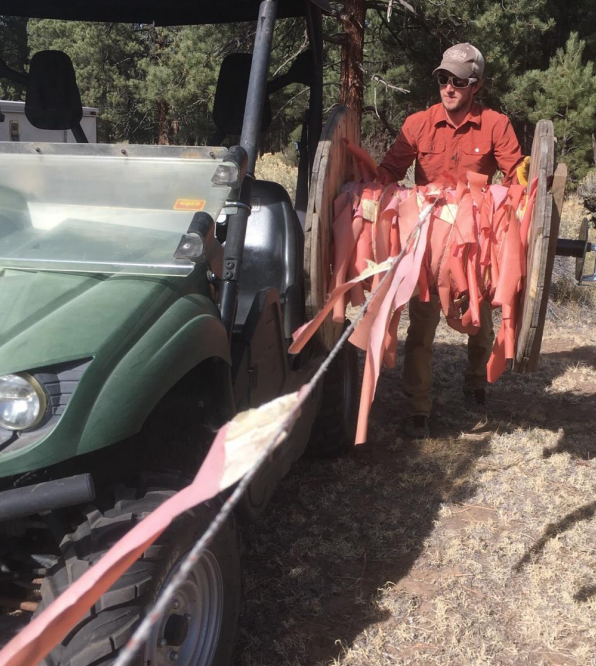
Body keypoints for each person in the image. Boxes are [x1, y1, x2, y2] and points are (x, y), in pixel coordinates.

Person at [377, 43, 526, 439]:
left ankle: (476, 383)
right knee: (421, 329)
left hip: (475, 245)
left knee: (480, 323)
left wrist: (521, 208)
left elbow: (516, 179)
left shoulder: (496, 125)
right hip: (429, 242)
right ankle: (417, 408)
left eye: (458, 81)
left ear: (475, 85)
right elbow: (388, 171)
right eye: (443, 78)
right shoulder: (418, 124)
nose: (448, 87)